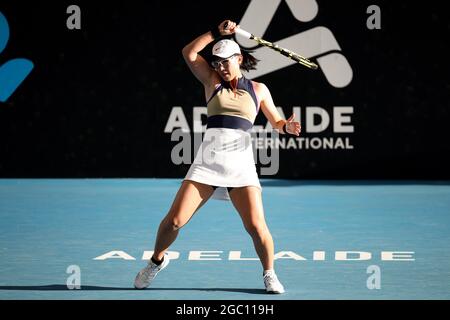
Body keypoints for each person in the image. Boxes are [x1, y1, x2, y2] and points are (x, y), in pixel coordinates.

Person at [134, 20, 301, 294]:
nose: (221, 67)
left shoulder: (259, 90)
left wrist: (286, 126)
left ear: (239, 59)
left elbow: (276, 121)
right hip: (207, 163)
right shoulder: (211, 82)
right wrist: (215, 33)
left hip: (241, 166)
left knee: (257, 227)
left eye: (226, 61)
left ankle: (269, 274)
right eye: (217, 62)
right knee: (174, 221)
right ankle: (156, 262)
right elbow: (189, 53)